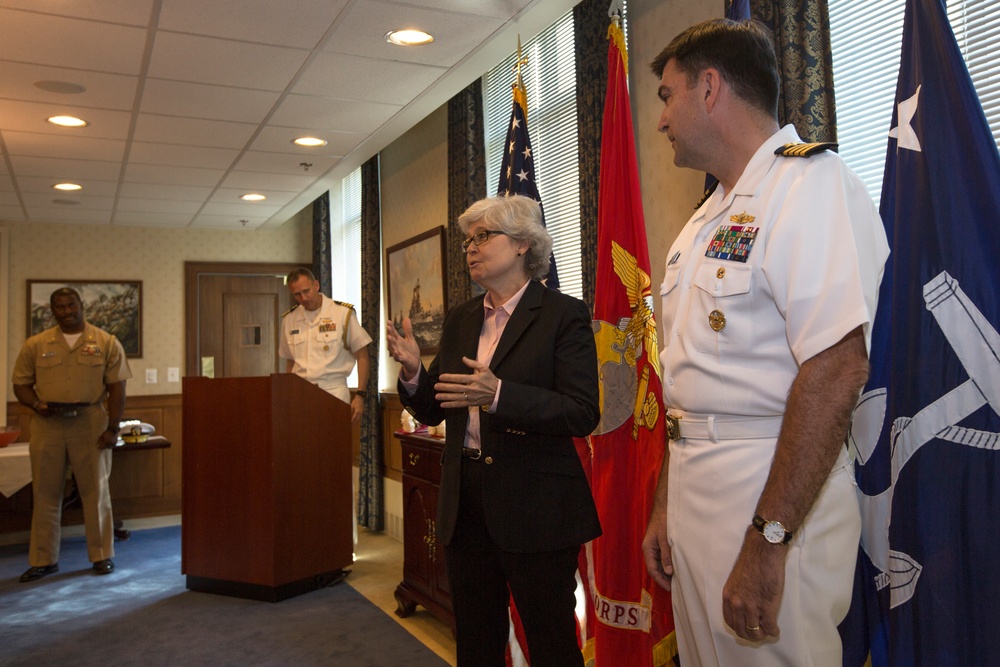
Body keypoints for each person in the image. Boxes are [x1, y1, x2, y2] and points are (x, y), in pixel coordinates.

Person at [640, 19, 890, 666]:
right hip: (699, 489)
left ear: (711, 87)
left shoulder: (811, 187)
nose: (661, 120)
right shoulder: (705, 219)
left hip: (769, 492)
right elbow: (690, 382)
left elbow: (836, 369)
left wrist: (770, 536)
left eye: (668, 96)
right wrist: (667, 500)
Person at [387, 194, 601, 667]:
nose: (471, 247)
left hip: (536, 506)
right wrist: (412, 373)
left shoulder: (562, 315)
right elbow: (435, 407)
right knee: (478, 642)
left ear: (524, 244)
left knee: (551, 645)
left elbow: (582, 411)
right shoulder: (463, 318)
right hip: (466, 505)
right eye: (468, 239)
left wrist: (500, 395)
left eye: (484, 236)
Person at [13, 287, 132, 582]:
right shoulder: (36, 344)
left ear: (82, 306)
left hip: (90, 423)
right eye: (60, 307)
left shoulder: (106, 342)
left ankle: (102, 555)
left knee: (96, 492)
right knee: (45, 493)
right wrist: (35, 403)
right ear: (53, 310)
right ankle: (43, 560)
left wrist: (113, 428)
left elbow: (118, 387)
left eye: (71, 305)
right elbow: (21, 384)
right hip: (47, 424)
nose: (67, 311)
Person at [279, 268, 371, 422]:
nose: (304, 298)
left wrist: (360, 395)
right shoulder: (289, 319)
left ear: (316, 285)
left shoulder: (342, 313)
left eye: (306, 291)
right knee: (302, 444)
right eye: (297, 294)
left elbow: (362, 356)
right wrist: (290, 392)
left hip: (333, 391)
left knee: (333, 444)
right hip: (301, 395)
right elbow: (290, 361)